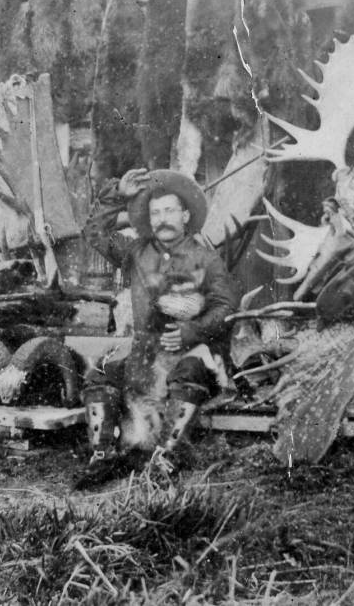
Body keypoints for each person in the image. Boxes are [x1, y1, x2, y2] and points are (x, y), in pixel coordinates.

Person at [75, 167, 238, 486]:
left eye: (169, 211)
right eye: (155, 212)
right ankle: (102, 456)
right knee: (101, 374)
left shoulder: (207, 259)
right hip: (145, 356)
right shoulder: (135, 253)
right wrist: (115, 196)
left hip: (192, 352)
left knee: (188, 372)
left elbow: (226, 306)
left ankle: (166, 457)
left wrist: (193, 331)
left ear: (186, 216)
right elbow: (95, 234)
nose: (162, 219)